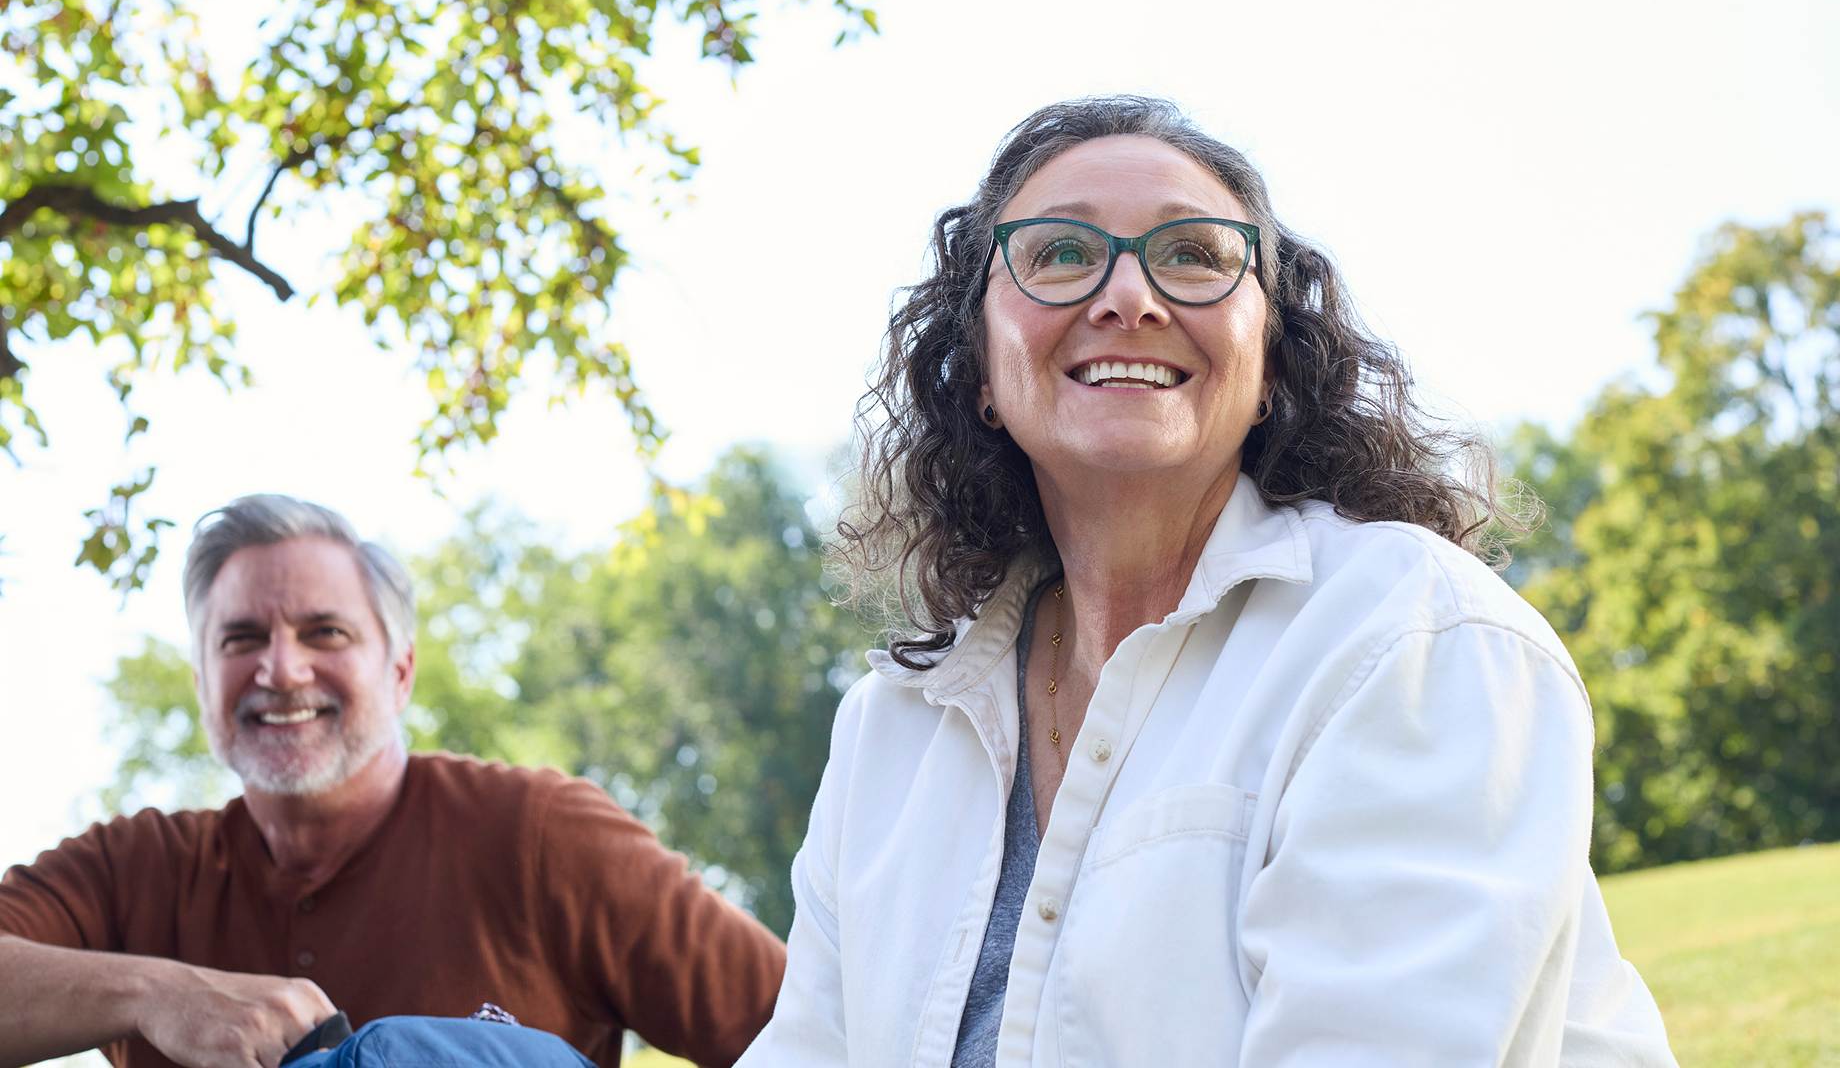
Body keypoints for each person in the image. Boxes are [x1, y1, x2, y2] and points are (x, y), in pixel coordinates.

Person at [737, 96, 1678, 1067]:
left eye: (1192, 254)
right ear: (977, 368)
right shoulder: (888, 732)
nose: (1128, 297)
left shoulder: (1411, 638)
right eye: (1059, 253)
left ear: (1270, 359)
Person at [0, 495, 785, 1068]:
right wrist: (152, 993)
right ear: (203, 682)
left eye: (325, 632)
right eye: (241, 639)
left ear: (400, 671)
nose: (281, 669)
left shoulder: (541, 833)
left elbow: (811, 1034)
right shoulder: (133, 870)